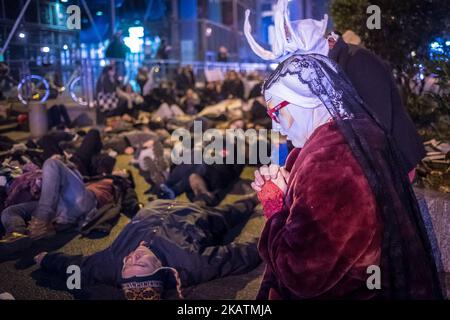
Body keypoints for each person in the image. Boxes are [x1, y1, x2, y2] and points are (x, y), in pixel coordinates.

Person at [244, 0, 442, 299]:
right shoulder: (332, 142)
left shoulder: (333, 160)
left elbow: (302, 273)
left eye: (278, 113)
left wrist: (274, 207)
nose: (277, 128)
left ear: (308, 96)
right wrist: (288, 193)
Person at [33, 197, 261, 300]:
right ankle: (252, 199)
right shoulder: (192, 265)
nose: (133, 257)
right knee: (230, 213)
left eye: (128, 264)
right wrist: (275, 239)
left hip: (157, 205)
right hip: (195, 215)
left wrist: (46, 260)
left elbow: (77, 268)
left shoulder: (109, 264)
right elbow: (239, 255)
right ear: (160, 269)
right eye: (140, 263)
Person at [327, 31, 426, 179]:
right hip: (382, 158)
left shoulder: (358, 60)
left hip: (395, 158)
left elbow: (378, 119)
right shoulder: (342, 60)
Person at [0, 158, 117, 255]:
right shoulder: (94, 178)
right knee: (9, 211)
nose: (120, 170)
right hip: (60, 206)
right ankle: (17, 233)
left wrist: (118, 177)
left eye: (123, 170)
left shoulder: (113, 182)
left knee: (52, 163)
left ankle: (41, 219)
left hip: (82, 200)